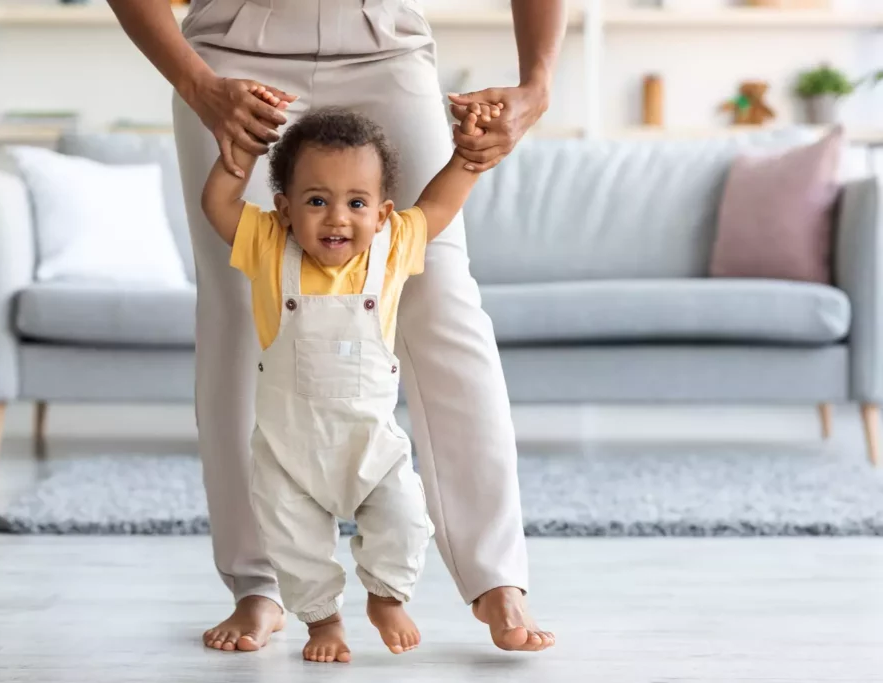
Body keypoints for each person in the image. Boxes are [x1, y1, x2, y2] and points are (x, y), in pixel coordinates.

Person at [107, 0, 566, 653]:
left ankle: (496, 577)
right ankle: (259, 583)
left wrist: (537, 83)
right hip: (234, 52)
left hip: (386, 45)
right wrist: (198, 84)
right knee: (240, 305)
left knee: (442, 293)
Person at [200, 102, 492, 662]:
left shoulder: (392, 247)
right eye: (316, 201)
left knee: (406, 518)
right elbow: (217, 204)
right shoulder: (268, 245)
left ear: (382, 214)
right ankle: (323, 622)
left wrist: (468, 157)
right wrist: (241, 151)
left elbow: (438, 204)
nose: (337, 218)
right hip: (288, 452)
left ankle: (386, 596)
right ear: (284, 208)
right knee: (295, 545)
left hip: (371, 449)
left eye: (356, 203)